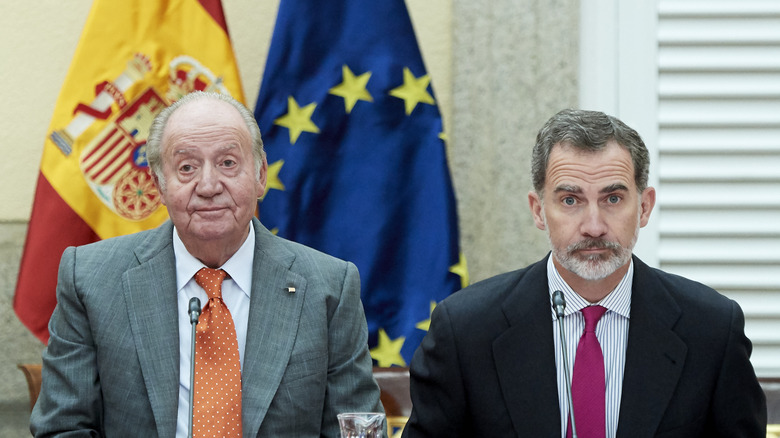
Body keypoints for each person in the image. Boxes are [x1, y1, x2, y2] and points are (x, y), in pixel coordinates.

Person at [30, 91, 384, 437]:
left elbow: (356, 428)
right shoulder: (91, 279)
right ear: (159, 185)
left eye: (228, 163)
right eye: (186, 167)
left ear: (260, 175)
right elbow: (62, 427)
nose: (209, 185)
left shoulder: (329, 287)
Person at [402, 109, 766, 437]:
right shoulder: (466, 330)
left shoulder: (711, 329)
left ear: (644, 207)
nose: (594, 226)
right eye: (570, 200)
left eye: (612, 199)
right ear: (539, 211)